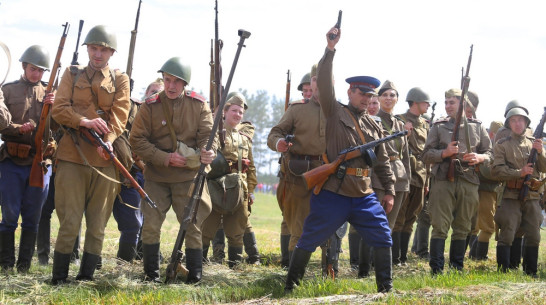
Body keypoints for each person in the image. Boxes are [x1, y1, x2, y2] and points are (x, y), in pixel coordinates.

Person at [285, 26, 395, 293]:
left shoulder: (374, 125)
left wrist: (389, 190)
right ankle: (290, 286)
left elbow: (383, 161)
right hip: (334, 190)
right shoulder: (334, 112)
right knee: (309, 238)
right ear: (350, 93)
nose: (366, 98)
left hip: (363, 194)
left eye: (370, 95)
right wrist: (330, 50)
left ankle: (386, 289)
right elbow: (323, 81)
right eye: (361, 93)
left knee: (382, 236)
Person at [50, 25, 131, 284]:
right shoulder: (72, 75)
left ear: (111, 52)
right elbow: (59, 109)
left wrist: (108, 141)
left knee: (97, 225)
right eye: (94, 48)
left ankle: (85, 278)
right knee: (69, 222)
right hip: (72, 156)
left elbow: (120, 115)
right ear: (87, 49)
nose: (98, 54)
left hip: (105, 159)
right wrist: (83, 121)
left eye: (103, 50)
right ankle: (59, 278)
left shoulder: (120, 80)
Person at [130, 56, 216, 283]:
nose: (170, 86)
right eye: (167, 80)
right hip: (157, 176)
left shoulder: (199, 105)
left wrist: (209, 151)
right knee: (151, 225)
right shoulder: (150, 106)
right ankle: (151, 275)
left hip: (188, 177)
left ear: (185, 84)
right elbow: (136, 139)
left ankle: (195, 276)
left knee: (192, 225)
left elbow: (208, 135)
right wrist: (165, 158)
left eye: (176, 82)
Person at [422, 88, 492, 275]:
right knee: (440, 226)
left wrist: (479, 157)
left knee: (463, 226)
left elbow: (490, 154)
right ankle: (436, 270)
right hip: (443, 180)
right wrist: (444, 153)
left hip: (469, 180)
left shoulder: (477, 127)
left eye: (452, 102)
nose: (448, 106)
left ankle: (456, 268)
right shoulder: (438, 126)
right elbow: (426, 155)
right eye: (446, 102)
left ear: (463, 104)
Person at [0, 45, 55, 272]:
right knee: (10, 215)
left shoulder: (51, 93)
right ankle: (5, 264)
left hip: (39, 163)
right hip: (12, 161)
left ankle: (24, 266)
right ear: (24, 67)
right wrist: (16, 128)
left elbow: (59, 127)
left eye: (42, 71)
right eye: (34, 69)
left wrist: (55, 106)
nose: (38, 74)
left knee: (33, 216)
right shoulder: (7, 90)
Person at [268, 65, 326, 270]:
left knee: (328, 225)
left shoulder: (339, 111)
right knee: (296, 226)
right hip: (298, 175)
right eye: (316, 80)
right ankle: (293, 272)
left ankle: (327, 268)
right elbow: (274, 133)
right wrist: (279, 143)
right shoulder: (297, 109)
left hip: (329, 176)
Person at [201, 92, 257, 268]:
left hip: (238, 190)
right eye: (234, 110)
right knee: (206, 230)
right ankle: (197, 265)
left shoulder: (244, 139)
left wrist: (251, 191)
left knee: (237, 232)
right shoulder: (214, 133)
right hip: (214, 189)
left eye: (241, 112)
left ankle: (235, 267)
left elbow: (251, 167)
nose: (238, 115)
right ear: (225, 111)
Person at [492, 107, 545, 277]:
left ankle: (531, 271)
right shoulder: (502, 144)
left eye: (521, 120)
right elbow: (497, 170)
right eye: (513, 120)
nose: (517, 123)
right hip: (510, 194)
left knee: (534, 234)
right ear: (508, 123)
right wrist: (518, 173)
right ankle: (504, 271)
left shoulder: (534, 143)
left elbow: (544, 168)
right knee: (507, 233)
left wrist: (540, 152)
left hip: (532, 196)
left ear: (526, 123)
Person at [392, 87, 431, 264]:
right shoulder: (399, 120)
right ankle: (394, 257)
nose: (428, 105)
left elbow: (428, 153)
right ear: (415, 102)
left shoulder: (426, 124)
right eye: (425, 102)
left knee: (412, 217)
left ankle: (403, 256)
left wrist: (427, 181)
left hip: (421, 175)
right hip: (405, 173)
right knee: (399, 216)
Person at [465, 91, 503, 261]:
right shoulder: (490, 149)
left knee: (477, 226)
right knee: (486, 227)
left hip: (488, 191)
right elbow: (488, 172)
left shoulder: (491, 147)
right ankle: (478, 256)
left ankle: (476, 255)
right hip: (485, 190)